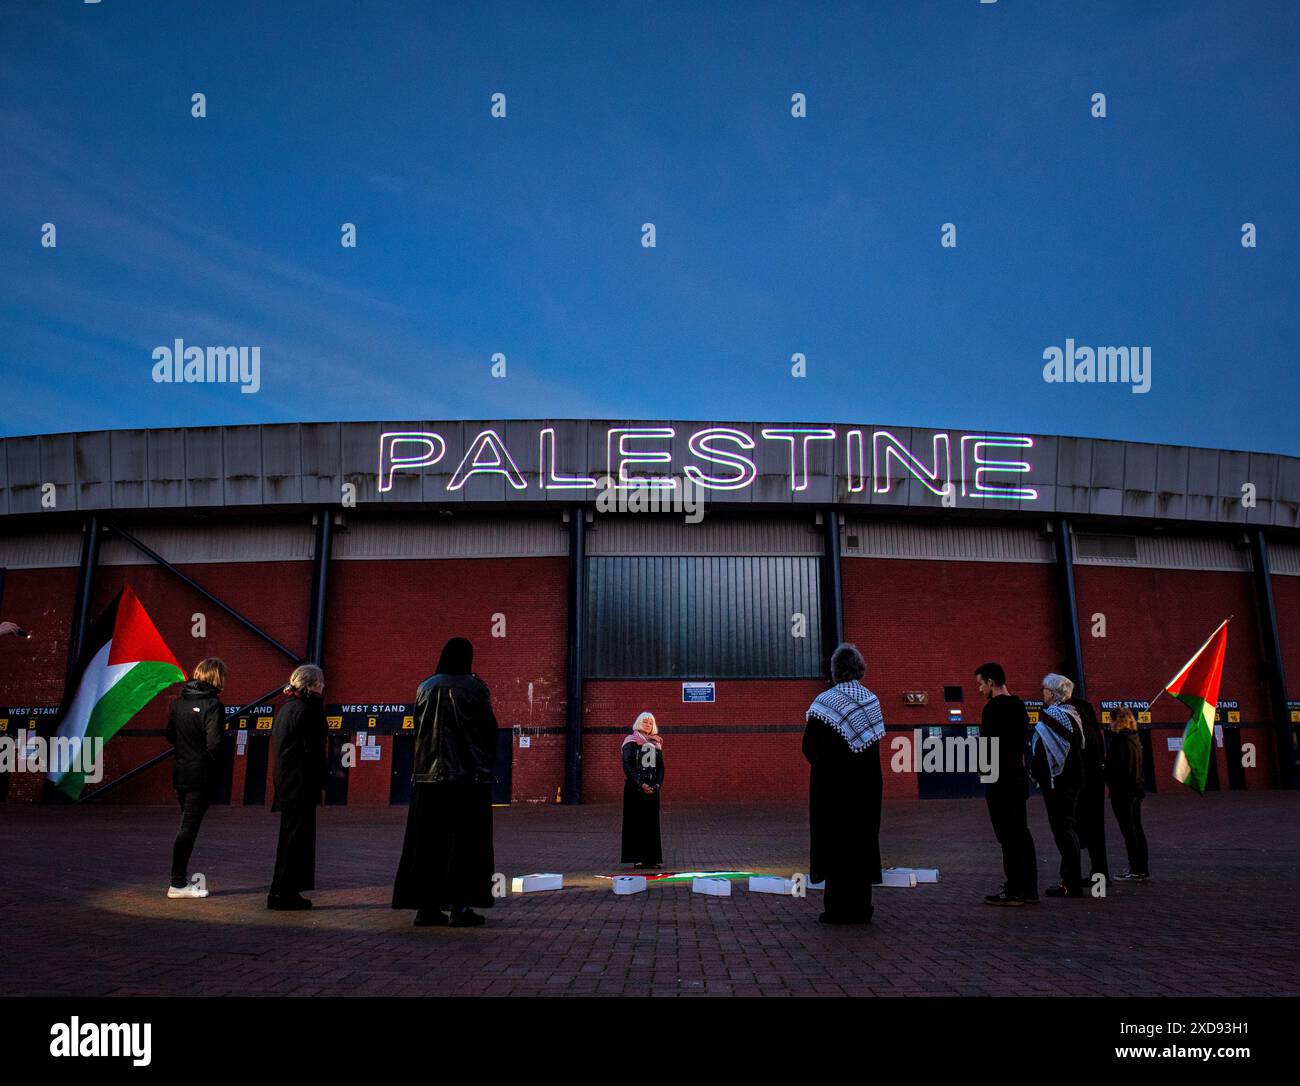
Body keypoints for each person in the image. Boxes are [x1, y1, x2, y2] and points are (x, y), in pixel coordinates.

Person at [393, 637, 499, 928]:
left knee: (428, 844)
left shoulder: (425, 687)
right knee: (465, 846)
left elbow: (419, 729)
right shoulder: (475, 688)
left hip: (428, 779)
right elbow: (488, 731)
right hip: (467, 780)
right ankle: (460, 906)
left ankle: (426, 907)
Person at [803, 642, 884, 925]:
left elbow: (809, 747)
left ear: (835, 670)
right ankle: (862, 907)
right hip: (865, 789)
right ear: (860, 668)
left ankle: (836, 909)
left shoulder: (824, 703)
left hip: (832, 790)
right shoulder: (871, 702)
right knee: (861, 844)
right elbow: (873, 747)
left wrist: (828, 767)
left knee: (834, 845)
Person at [975, 662, 1038, 906]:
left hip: (999, 780)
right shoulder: (1019, 706)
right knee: (1021, 832)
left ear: (991, 682)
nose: (980, 689)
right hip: (1017, 776)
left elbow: (987, 748)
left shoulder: (992, 708)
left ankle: (1014, 889)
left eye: (981, 684)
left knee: (1007, 835)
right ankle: (1029, 889)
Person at [164, 657, 227, 899]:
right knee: (188, 827)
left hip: (181, 772)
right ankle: (177, 883)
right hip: (201, 775)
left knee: (186, 825)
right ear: (217, 677)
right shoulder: (213, 705)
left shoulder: (178, 703)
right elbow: (215, 744)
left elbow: (170, 735)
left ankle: (179, 880)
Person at [267, 664, 328, 911]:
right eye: (321, 682)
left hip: (287, 784)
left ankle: (281, 891)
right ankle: (286, 892)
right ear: (312, 684)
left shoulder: (287, 708)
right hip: (301, 784)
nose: (323, 686)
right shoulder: (308, 709)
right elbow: (312, 749)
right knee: (297, 840)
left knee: (289, 838)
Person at [1033, 673, 1084, 898]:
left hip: (1059, 782)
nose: (1042, 692)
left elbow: (1046, 750)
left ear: (1053, 693)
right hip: (1072, 780)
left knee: (1062, 830)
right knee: (1068, 829)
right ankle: (1070, 879)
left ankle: (1070, 883)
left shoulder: (1052, 715)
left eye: (1045, 689)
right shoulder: (1073, 714)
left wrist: (1039, 774)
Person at [1068, 683, 1109, 885]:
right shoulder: (1087, 713)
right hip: (1093, 782)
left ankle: (1094, 877)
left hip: (1084, 784)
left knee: (1081, 829)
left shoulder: (1073, 715)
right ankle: (1099, 874)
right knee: (1095, 830)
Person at [1106, 707, 1150, 880]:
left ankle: (1135, 868)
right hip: (1136, 790)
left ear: (1117, 720)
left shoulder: (1118, 740)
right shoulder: (1134, 738)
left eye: (1111, 719)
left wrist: (1104, 772)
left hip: (1122, 792)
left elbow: (1114, 767)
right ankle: (1142, 868)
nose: (1109, 722)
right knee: (1137, 829)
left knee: (1129, 831)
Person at [620, 711, 664, 868]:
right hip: (635, 790)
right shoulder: (630, 741)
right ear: (639, 722)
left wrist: (657, 785)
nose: (648, 724)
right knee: (636, 823)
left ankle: (651, 859)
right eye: (645, 721)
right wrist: (641, 784)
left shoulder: (656, 743)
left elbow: (660, 768)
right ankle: (637, 858)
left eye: (651, 722)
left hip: (652, 790)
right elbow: (628, 766)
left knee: (651, 824)